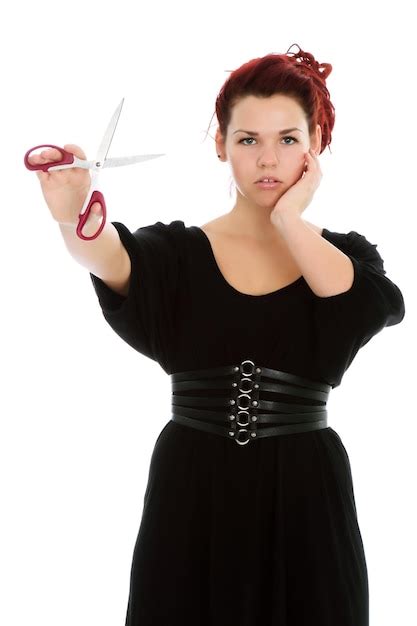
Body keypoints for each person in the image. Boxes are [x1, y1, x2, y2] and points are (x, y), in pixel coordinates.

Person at [30, 43, 406, 626]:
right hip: (192, 488)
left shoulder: (343, 257)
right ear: (221, 146)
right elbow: (109, 256)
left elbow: (361, 304)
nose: (267, 159)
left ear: (316, 148)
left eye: (288, 139)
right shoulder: (179, 254)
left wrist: (288, 219)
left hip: (306, 493)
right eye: (247, 140)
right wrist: (68, 211)